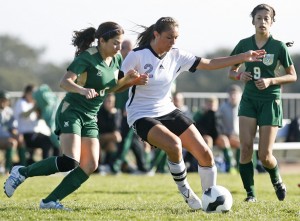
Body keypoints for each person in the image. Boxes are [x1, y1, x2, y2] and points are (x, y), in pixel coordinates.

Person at [121, 16, 266, 210]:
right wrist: (132, 81)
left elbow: (210, 62)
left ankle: (211, 200)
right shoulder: (137, 55)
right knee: (174, 145)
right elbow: (117, 87)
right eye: (169, 37)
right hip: (140, 114)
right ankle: (188, 194)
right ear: (156, 35)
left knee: (205, 153)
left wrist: (243, 56)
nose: (173, 42)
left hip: (168, 109)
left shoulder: (176, 55)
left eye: (176, 38)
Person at [4, 21, 147, 210]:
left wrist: (130, 81)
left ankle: (49, 202)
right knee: (69, 161)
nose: (119, 47)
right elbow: (64, 82)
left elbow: (110, 88)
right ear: (101, 41)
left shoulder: (116, 59)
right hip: (71, 111)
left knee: (90, 164)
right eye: (114, 43)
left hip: (90, 116)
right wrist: (82, 90)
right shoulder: (87, 57)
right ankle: (22, 171)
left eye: (120, 43)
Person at [228, 4, 297, 202]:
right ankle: (251, 195)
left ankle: (277, 180)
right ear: (253, 21)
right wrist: (240, 75)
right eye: (259, 18)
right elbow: (230, 72)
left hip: (270, 101)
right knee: (246, 148)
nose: (263, 22)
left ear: (272, 22)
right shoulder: (244, 44)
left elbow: (292, 75)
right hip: (249, 100)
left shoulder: (278, 46)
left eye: (267, 18)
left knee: (265, 156)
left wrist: (271, 81)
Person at [13, 84, 54, 164]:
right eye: (33, 93)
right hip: (25, 134)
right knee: (46, 141)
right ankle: (45, 165)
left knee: (53, 139)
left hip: (35, 133)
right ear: (27, 93)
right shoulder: (21, 103)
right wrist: (34, 107)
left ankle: (49, 164)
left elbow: (40, 118)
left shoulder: (34, 104)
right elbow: (25, 115)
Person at [0, 90, 26, 173]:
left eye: (5, 100)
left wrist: (15, 132)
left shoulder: (9, 111)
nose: (4, 102)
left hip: (7, 136)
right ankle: (7, 170)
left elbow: (13, 126)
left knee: (20, 139)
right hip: (2, 137)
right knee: (12, 143)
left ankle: (23, 168)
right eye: (2, 100)